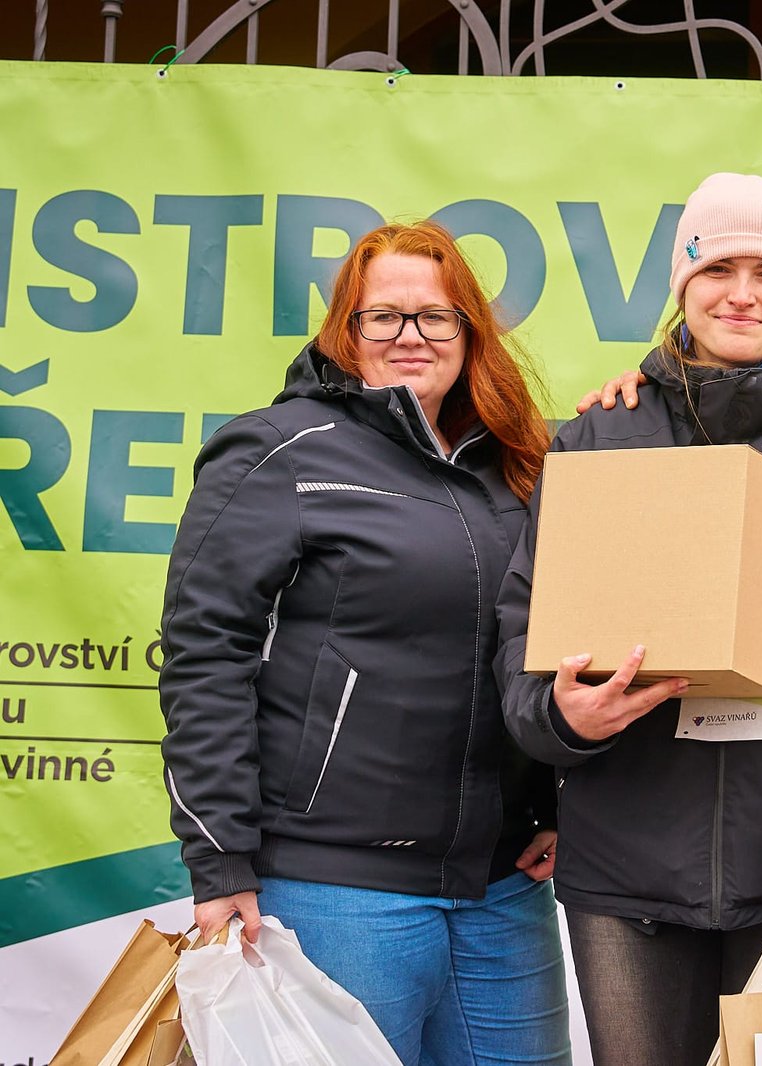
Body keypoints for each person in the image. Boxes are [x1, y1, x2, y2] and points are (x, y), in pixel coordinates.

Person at [495, 172, 762, 1066]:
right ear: (682, 287)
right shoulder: (599, 435)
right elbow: (523, 634)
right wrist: (559, 718)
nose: (741, 294)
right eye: (717, 269)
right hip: (625, 880)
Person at [158, 221, 571, 1065]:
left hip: (502, 889)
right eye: (383, 316)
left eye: (436, 316)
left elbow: (543, 644)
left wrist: (558, 807)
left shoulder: (517, 464)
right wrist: (220, 859)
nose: (410, 336)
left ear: (470, 333)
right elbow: (206, 655)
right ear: (346, 331)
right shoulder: (278, 449)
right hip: (337, 890)